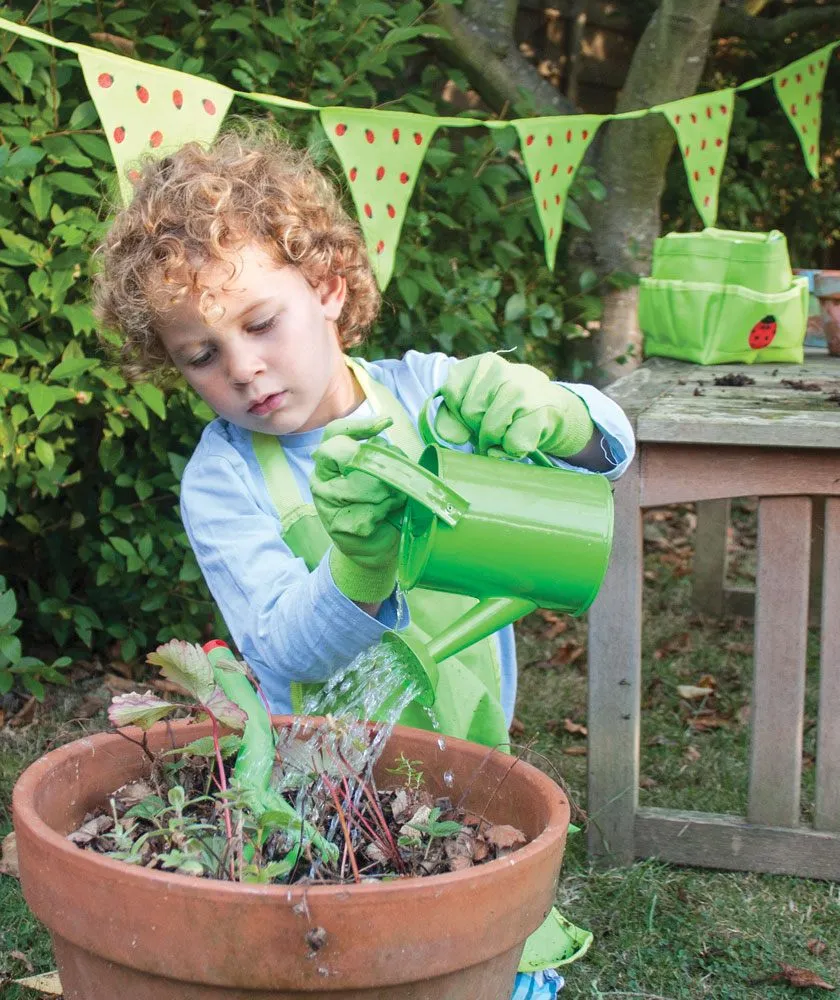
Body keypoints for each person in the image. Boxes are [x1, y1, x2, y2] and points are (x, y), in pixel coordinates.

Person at [93, 121, 635, 991]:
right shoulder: (225, 482)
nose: (244, 369)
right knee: (351, 950)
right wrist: (357, 560)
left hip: (472, 751)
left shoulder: (428, 396)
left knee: (469, 941)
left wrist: (565, 415)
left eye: (261, 323)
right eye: (202, 355)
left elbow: (613, 445)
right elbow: (277, 648)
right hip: (324, 780)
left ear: (328, 289)